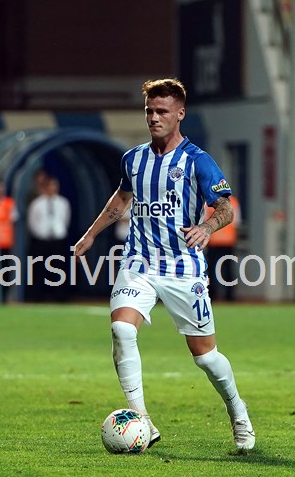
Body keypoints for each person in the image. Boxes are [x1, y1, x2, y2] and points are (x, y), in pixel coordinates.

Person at [74, 78, 255, 451]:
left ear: (180, 114)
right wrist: (91, 234)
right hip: (138, 263)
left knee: (205, 357)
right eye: (149, 111)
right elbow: (121, 198)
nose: (154, 118)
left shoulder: (197, 160)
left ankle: (238, 411)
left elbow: (225, 208)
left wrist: (207, 226)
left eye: (162, 111)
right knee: (122, 330)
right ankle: (142, 420)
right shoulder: (133, 159)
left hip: (183, 269)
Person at [27, 177, 71, 302]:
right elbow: (32, 222)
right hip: (41, 240)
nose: (53, 188)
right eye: (51, 186)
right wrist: (41, 233)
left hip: (58, 240)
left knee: (60, 268)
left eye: (55, 185)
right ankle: (37, 296)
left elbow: (66, 219)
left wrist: (58, 231)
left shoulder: (63, 202)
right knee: (39, 268)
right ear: (46, 187)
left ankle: (61, 296)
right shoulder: (36, 203)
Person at [204, 195, 241, 302]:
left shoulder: (208, 201)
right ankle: (230, 296)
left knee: (211, 270)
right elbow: (237, 222)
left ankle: (211, 294)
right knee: (228, 269)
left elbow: (204, 221)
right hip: (228, 241)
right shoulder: (233, 201)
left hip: (213, 241)